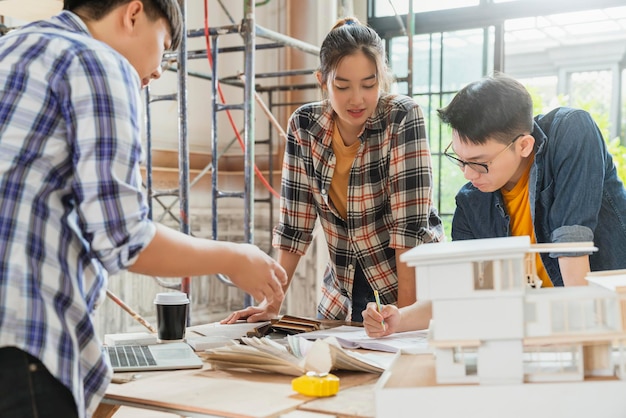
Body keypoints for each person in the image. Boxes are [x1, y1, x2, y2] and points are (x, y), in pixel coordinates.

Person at [0, 1, 287, 417]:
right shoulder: (99, 62)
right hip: (23, 340)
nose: (158, 72)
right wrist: (234, 256)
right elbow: (124, 239)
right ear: (133, 14)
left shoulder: (11, 49)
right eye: (165, 45)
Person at [362, 72, 626, 338]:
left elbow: (572, 246)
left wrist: (586, 339)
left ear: (524, 145)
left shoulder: (571, 132)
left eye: (479, 163)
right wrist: (398, 319)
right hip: (541, 334)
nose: (467, 173)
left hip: (607, 322)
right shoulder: (471, 202)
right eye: (459, 159)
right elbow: (462, 292)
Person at [221, 17, 443, 326]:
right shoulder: (304, 126)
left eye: (369, 84)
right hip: (344, 289)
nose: (357, 98)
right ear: (322, 81)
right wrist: (271, 303)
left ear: (382, 79)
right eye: (342, 86)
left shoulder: (403, 117)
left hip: (410, 283)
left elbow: (409, 231)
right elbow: (294, 228)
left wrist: (404, 321)